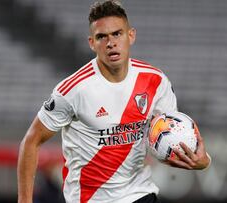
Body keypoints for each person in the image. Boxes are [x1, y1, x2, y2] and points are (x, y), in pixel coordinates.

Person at [17, 1, 211, 203]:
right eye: (102, 37)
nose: (111, 43)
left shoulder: (155, 81)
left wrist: (202, 161)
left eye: (117, 34)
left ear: (131, 35)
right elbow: (31, 141)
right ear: (92, 43)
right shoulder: (73, 90)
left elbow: (164, 144)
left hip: (139, 195)